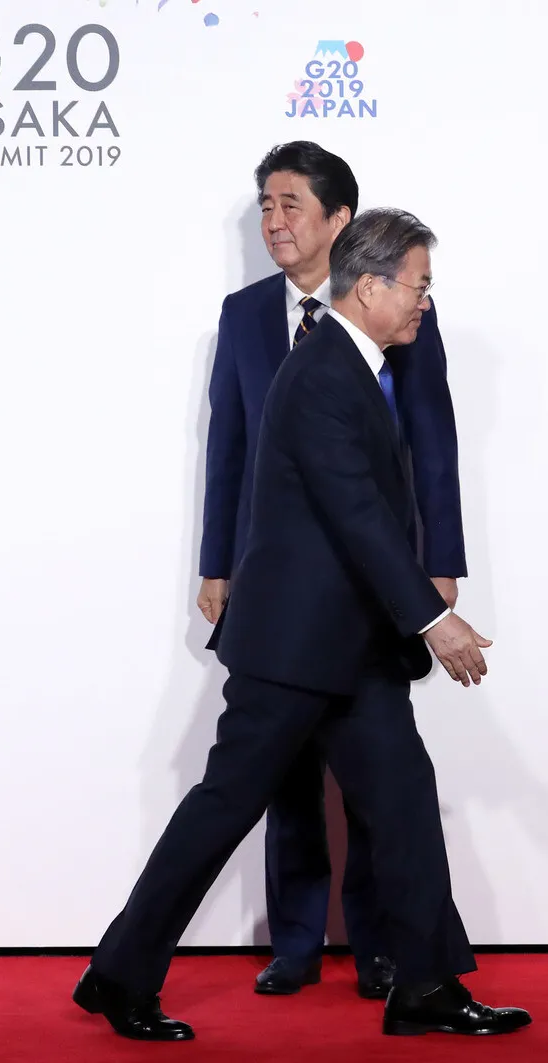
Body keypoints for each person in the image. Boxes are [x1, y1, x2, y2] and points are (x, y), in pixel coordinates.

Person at [72, 209, 531, 1042]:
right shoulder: (324, 372)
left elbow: (365, 517)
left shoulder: (352, 364)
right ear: (370, 286)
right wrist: (436, 620)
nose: (427, 303)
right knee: (223, 808)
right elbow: (357, 515)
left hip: (352, 650)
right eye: (419, 287)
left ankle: (426, 984)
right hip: (291, 650)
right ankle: (118, 974)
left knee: (405, 801)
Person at [198, 141, 466, 999]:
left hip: (373, 589)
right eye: (264, 207)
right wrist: (218, 563)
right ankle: (296, 941)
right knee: (278, 783)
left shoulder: (398, 320)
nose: (274, 221)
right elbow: (230, 451)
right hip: (287, 591)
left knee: (391, 788)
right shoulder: (250, 320)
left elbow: (432, 445)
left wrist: (438, 569)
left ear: (338, 221)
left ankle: (399, 962)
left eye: (290, 205)